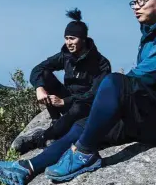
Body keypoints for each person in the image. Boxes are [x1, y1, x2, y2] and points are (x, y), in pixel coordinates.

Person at [0, 0, 156, 185]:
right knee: (83, 124)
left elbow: (145, 76)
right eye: (133, 2)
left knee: (115, 83)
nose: (136, 7)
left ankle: (84, 155)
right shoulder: (155, 31)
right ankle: (28, 167)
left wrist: (112, 94)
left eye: (142, 1)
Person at [13, 8, 111, 154]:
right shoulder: (65, 56)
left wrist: (65, 101)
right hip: (67, 101)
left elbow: (94, 94)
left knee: (78, 108)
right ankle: (55, 121)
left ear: (83, 39)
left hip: (85, 107)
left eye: (72, 38)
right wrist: (39, 88)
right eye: (66, 38)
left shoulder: (101, 63)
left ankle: (42, 137)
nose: (68, 43)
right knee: (45, 75)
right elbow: (38, 69)